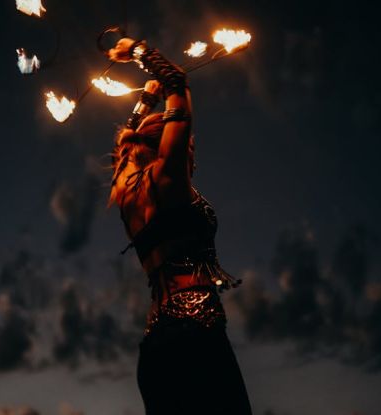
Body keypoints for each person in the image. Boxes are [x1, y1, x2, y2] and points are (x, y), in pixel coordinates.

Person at [107, 37, 253, 415]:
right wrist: (138, 50)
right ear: (167, 146)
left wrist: (145, 102)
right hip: (197, 335)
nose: (191, 153)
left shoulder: (125, 190)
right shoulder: (168, 179)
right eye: (187, 146)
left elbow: (123, 148)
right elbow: (179, 79)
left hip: (156, 347)